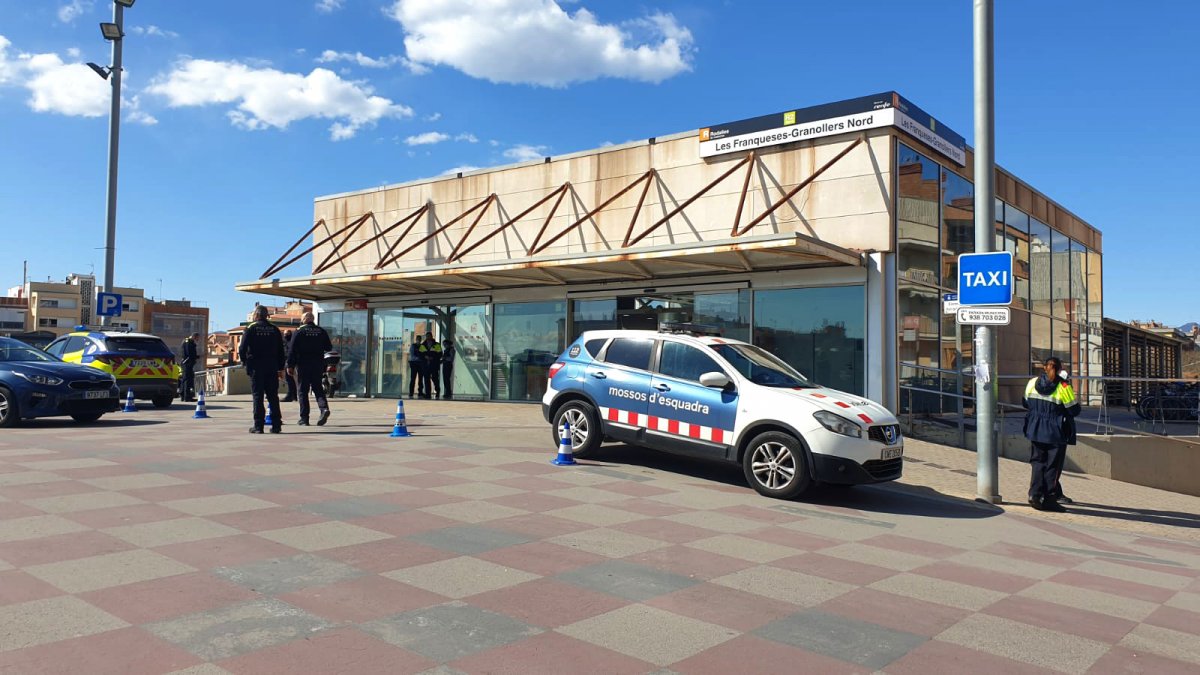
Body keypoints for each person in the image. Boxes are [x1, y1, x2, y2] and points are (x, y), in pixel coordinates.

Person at [1023, 357, 1080, 512]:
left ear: (1044, 368)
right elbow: (1074, 410)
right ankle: (1049, 500)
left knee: (1037, 463)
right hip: (1055, 432)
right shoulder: (1063, 386)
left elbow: (1025, 402)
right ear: (1060, 369)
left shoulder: (1032, 382)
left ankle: (1034, 495)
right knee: (1052, 467)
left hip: (1035, 429)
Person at [238, 305, 286, 434]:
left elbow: (242, 348)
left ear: (256, 315)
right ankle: (276, 425)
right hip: (272, 366)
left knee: (258, 396)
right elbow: (281, 351)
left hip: (256, 366)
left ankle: (258, 426)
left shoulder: (251, 328)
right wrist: (280, 367)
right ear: (267, 315)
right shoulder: (274, 329)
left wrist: (244, 361)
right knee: (273, 396)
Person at [286, 312, 332, 427]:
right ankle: (324, 409)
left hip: (303, 364)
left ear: (304, 320)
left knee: (302, 391)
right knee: (318, 388)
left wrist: (290, 365)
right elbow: (329, 347)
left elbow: (291, 350)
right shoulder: (321, 331)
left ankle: (304, 418)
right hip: (318, 364)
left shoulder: (299, 331)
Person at [420, 332, 442, 399]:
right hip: (426, 365)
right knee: (426, 380)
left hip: (434, 365)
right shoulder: (423, 345)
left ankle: (437, 391)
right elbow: (420, 354)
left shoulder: (437, 345)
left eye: (429, 336)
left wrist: (433, 358)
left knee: (435, 379)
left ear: (432, 337)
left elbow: (440, 354)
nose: (428, 338)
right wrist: (425, 357)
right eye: (427, 336)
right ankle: (428, 394)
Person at [179, 332, 199, 402]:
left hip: (187, 363)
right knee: (187, 380)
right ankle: (187, 397)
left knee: (186, 379)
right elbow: (188, 353)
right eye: (197, 338)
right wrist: (194, 357)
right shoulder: (188, 342)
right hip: (187, 363)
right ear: (194, 336)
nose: (197, 339)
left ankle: (183, 396)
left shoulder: (189, 342)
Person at [281, 330, 297, 402]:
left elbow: (290, 352)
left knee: (290, 379)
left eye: (287, 334)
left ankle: (291, 395)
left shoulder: (291, 342)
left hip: (291, 362)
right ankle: (293, 395)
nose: (285, 335)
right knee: (290, 379)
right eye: (284, 334)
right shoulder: (285, 342)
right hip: (288, 361)